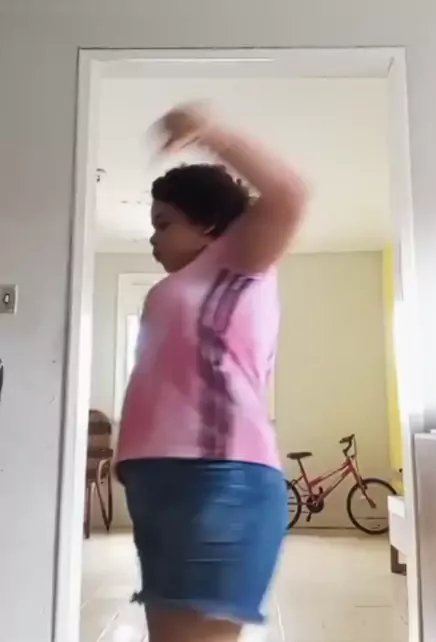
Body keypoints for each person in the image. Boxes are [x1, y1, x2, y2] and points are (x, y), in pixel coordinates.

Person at [115, 104, 307, 642]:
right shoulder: (182, 283)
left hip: (217, 480)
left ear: (207, 225)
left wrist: (209, 132)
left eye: (164, 223)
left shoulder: (239, 258)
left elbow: (290, 194)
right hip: (166, 482)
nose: (153, 238)